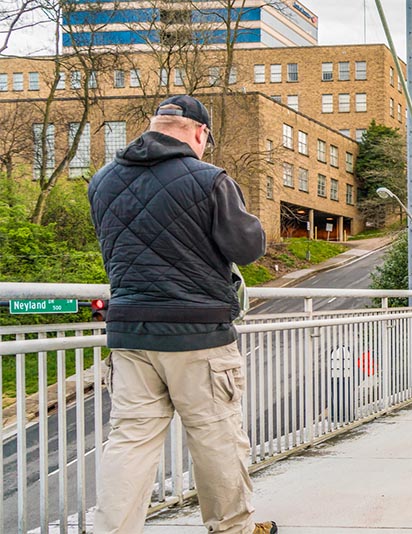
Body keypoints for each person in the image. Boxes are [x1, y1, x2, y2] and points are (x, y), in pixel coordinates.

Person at [89, 95, 276, 534]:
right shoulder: (210, 179)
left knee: (130, 441)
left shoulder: (102, 181)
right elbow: (248, 249)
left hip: (131, 331)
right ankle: (233, 528)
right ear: (199, 133)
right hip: (199, 336)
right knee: (216, 439)